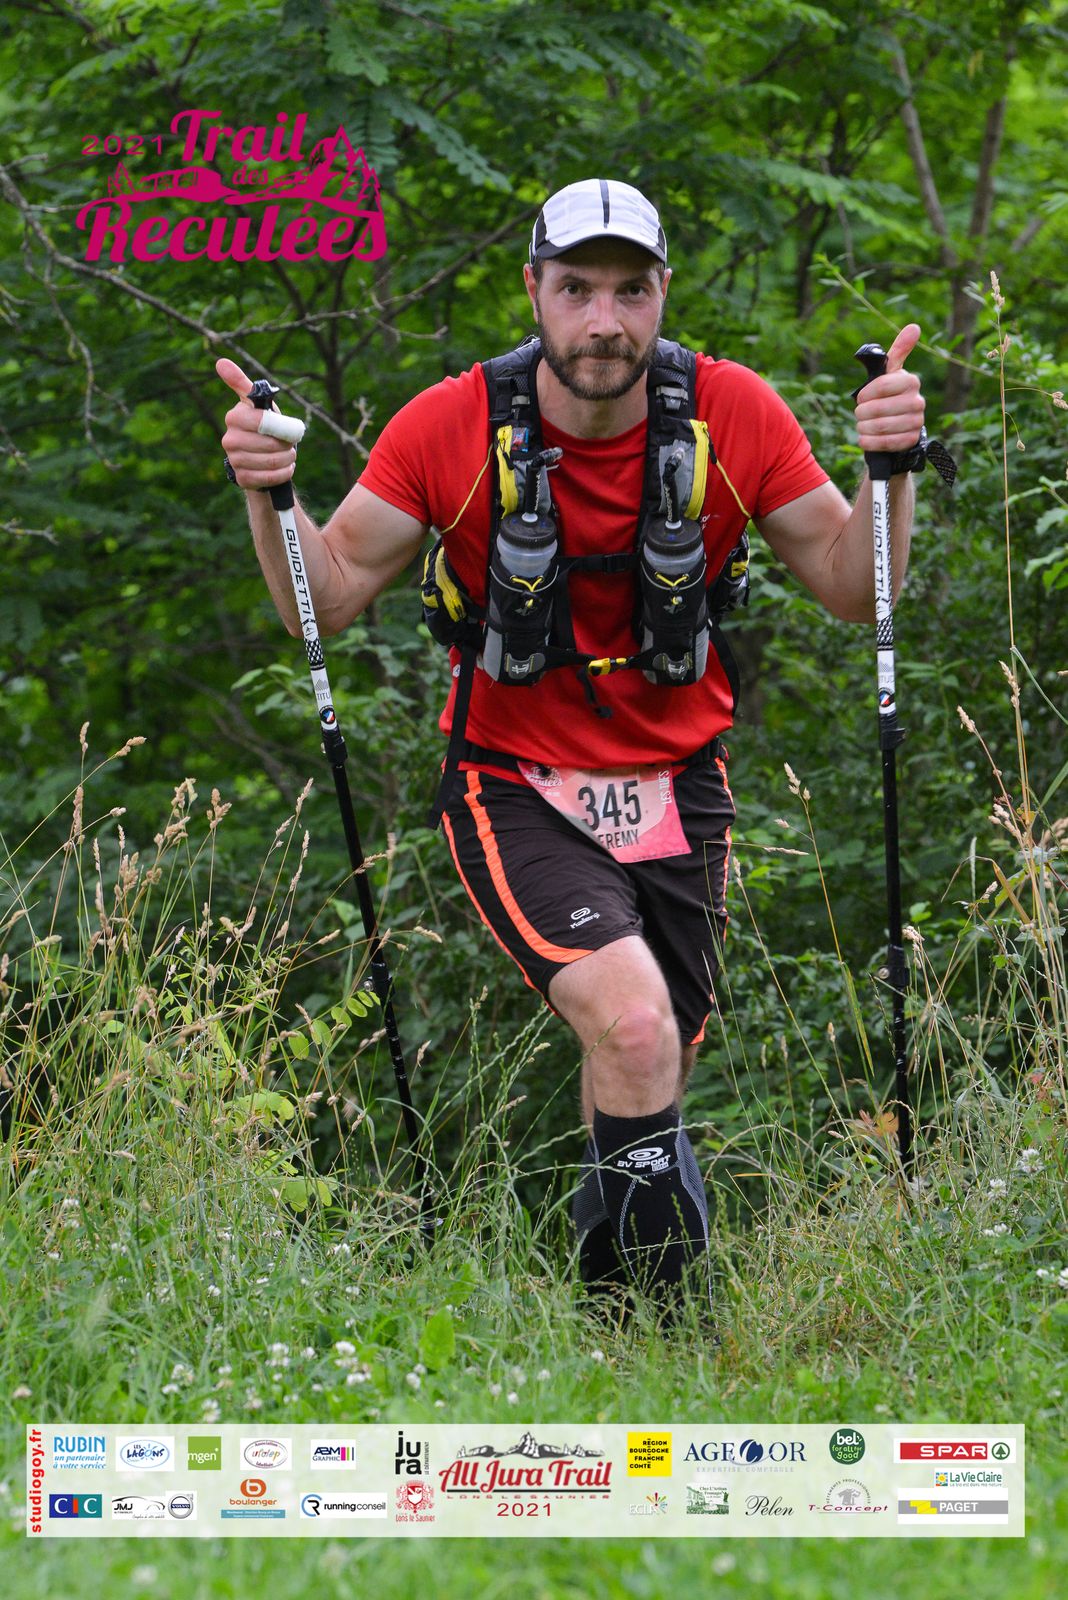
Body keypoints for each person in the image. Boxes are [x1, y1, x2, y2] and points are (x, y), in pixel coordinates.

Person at [217, 178, 926, 1318]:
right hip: (515, 783)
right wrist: (270, 489)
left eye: (630, 291)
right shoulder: (452, 423)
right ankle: (657, 1327)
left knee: (650, 1051)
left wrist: (892, 465)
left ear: (663, 295)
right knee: (636, 1024)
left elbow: (855, 587)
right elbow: (329, 594)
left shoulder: (732, 414)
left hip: (680, 784)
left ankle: (611, 1344)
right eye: (577, 289)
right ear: (534, 291)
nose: (605, 320)